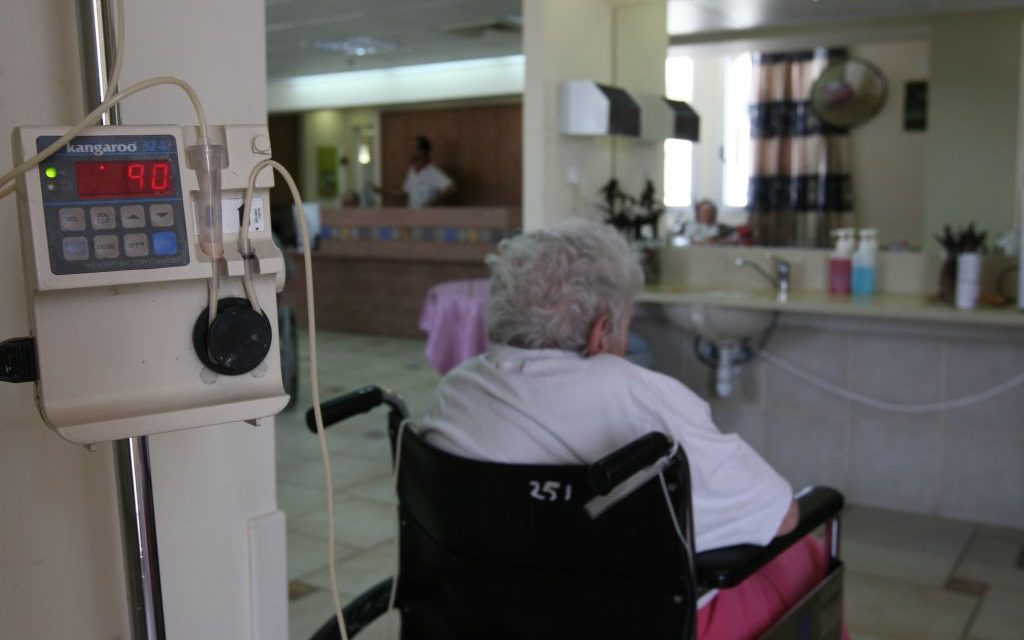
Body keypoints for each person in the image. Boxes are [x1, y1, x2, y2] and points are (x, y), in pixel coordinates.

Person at [419, 218, 844, 640]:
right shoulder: (638, 396)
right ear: (600, 332)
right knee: (803, 553)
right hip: (632, 627)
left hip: (485, 617)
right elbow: (781, 515)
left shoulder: (454, 391)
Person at [401, 135, 455, 207]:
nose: (409, 151)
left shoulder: (433, 172)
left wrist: (431, 203)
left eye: (412, 148)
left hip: (426, 216)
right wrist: (383, 192)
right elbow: (405, 192)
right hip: (412, 214)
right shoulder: (412, 170)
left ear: (422, 152)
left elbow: (452, 188)